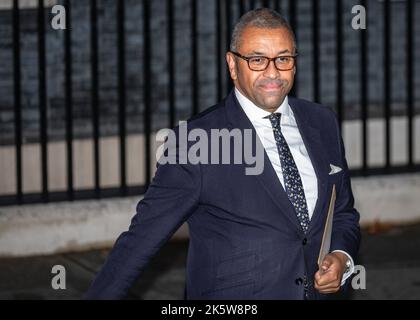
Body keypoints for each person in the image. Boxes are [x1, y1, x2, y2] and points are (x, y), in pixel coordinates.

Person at [86, 8, 360, 300]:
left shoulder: (322, 122)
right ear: (232, 65)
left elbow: (342, 213)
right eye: (257, 60)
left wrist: (342, 258)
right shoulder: (195, 142)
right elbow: (141, 239)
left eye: (283, 58)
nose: (272, 72)